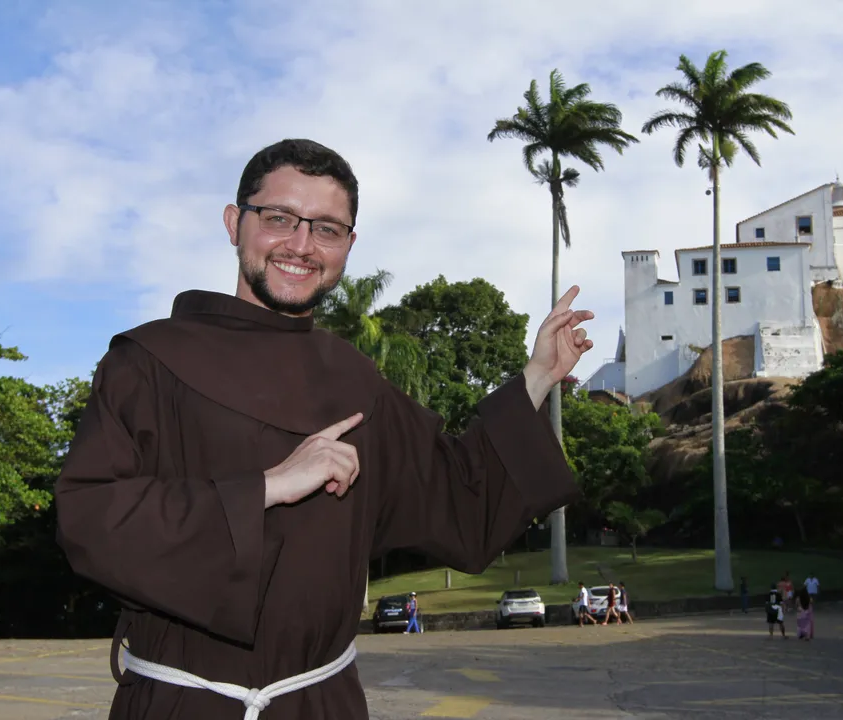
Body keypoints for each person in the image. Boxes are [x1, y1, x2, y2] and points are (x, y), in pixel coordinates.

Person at [53, 138, 591, 720]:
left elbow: (459, 498)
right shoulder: (149, 362)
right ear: (235, 223)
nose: (301, 245)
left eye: (327, 229)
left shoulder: (359, 384)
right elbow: (89, 519)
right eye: (279, 218)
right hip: (182, 703)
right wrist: (264, 488)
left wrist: (537, 377)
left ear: (349, 245)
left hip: (321, 703)